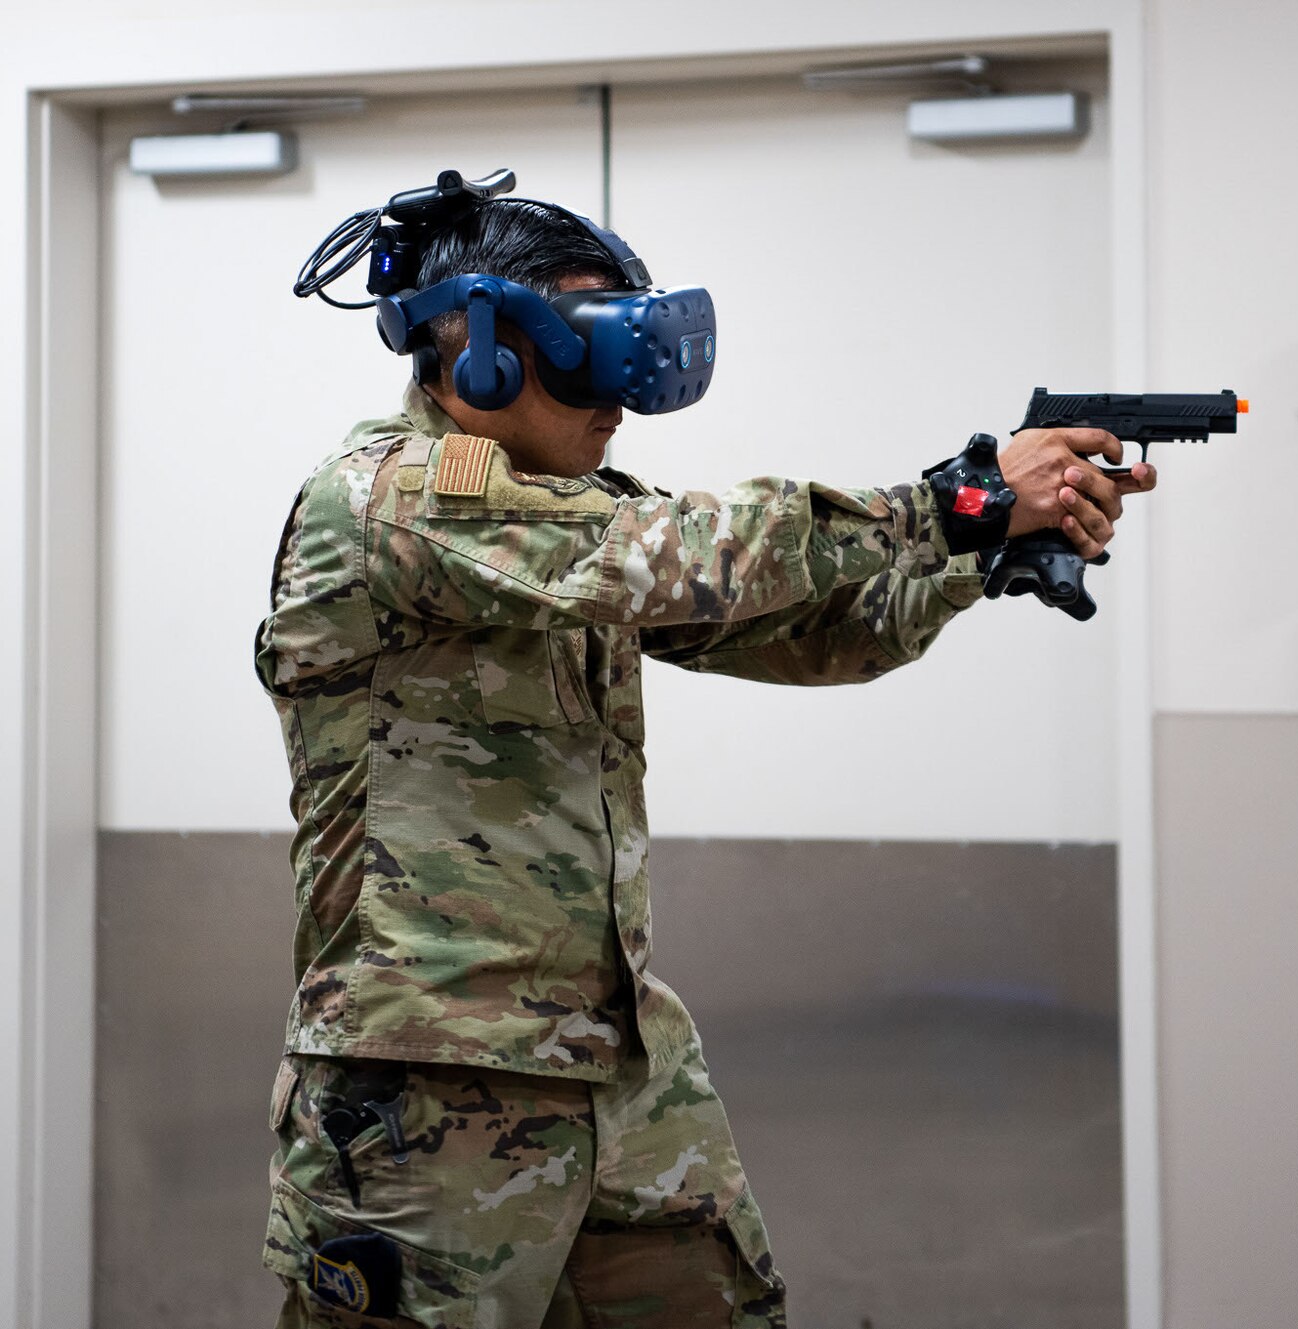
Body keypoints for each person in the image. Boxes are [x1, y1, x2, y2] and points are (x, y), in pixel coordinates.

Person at [254, 195, 1153, 1328]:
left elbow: (809, 631)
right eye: (587, 355)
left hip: (615, 1060)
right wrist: (956, 501)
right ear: (474, 350)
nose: (618, 401)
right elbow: (672, 558)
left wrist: (986, 554)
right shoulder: (390, 499)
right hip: (427, 1078)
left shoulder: (573, 521)